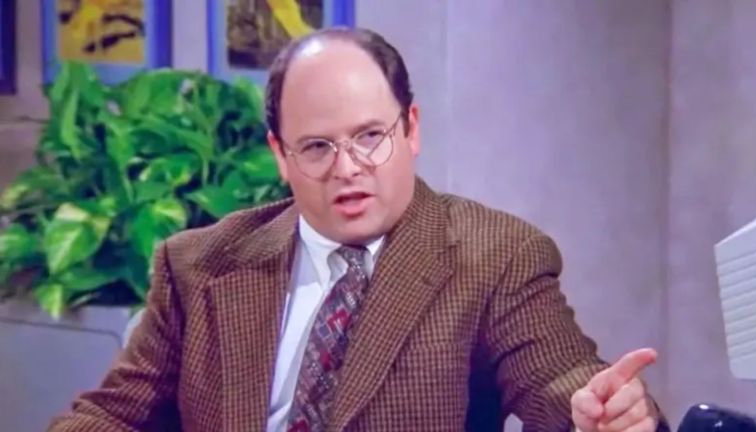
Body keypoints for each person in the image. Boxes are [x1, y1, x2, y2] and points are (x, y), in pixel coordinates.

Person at [49, 27, 668, 432]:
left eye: (370, 137)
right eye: (317, 147)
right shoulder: (200, 265)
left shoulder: (494, 257)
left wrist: (602, 412)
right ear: (280, 155)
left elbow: (558, 380)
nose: (348, 169)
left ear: (412, 128)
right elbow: (114, 414)